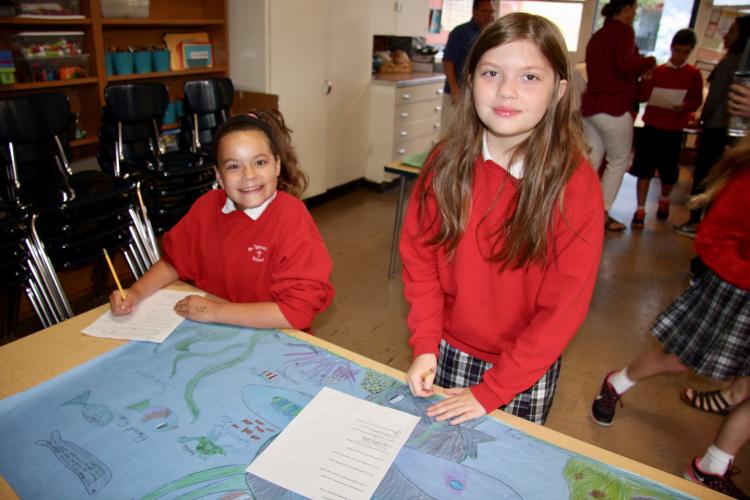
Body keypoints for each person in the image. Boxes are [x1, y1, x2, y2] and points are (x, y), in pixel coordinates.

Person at [401, 13, 604, 426]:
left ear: (559, 90)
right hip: (447, 348)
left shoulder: (575, 186)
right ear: (470, 79)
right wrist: (424, 344)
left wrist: (493, 390)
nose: (507, 91)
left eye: (529, 77)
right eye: (492, 73)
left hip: (526, 367)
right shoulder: (443, 164)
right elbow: (421, 261)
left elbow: (562, 310)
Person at [591, 137, 750, 497]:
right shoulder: (745, 179)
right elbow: (712, 241)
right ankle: (616, 382)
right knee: (678, 358)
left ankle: (712, 465)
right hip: (735, 291)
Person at [109, 111, 335, 331]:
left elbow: (297, 312)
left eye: (259, 162)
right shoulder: (207, 207)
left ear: (277, 165)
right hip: (217, 330)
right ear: (219, 175)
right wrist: (135, 292)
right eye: (234, 166)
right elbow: (175, 262)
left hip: (275, 335)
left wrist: (215, 312)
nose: (248, 175)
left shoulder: (291, 217)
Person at [581, 0, 656, 231]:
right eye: (633, 9)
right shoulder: (623, 31)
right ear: (626, 10)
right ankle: (601, 213)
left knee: (590, 161)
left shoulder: (598, 35)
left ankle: (579, 208)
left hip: (591, 107)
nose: (634, 14)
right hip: (613, 107)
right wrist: (649, 61)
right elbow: (624, 64)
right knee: (618, 161)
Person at [673, 15, 750, 238]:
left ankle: (696, 221)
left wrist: (703, 119)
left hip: (718, 128)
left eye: (732, 31)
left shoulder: (730, 63)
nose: (726, 35)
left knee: (707, 175)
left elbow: (714, 99)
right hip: (729, 131)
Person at [629, 29, 703, 228]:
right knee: (644, 170)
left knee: (668, 171)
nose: (680, 56)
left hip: (673, 130)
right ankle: (640, 209)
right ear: (671, 48)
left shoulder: (694, 74)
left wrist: (685, 106)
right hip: (652, 126)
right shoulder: (659, 71)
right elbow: (642, 97)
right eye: (677, 51)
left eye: (685, 52)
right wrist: (646, 79)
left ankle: (664, 199)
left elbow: (696, 101)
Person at [441, 0, 495, 127]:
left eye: (491, 12)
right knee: (451, 130)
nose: (488, 15)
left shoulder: (490, 35)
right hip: (458, 93)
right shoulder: (460, 32)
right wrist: (454, 89)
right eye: (484, 11)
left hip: (478, 95)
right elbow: (448, 61)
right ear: (474, 11)